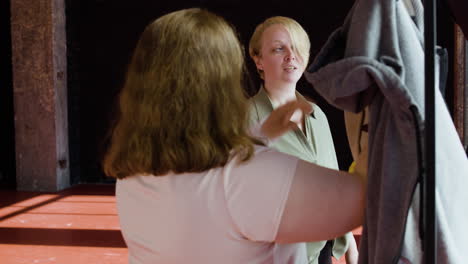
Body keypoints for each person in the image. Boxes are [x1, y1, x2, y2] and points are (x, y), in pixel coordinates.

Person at [103, 8, 365, 264]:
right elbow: (366, 198)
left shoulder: (132, 173)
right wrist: (365, 110)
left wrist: (261, 134)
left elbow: (207, 193)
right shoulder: (249, 175)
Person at [248, 16, 358, 264]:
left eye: (296, 48)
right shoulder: (246, 118)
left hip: (323, 252)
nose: (291, 56)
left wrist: (351, 249)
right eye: (279, 49)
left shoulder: (317, 114)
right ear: (258, 60)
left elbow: (334, 186)